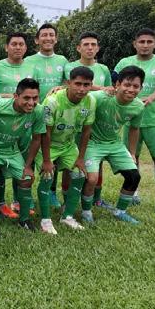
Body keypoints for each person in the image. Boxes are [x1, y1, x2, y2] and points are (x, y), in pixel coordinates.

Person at [0, 78, 45, 234]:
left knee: (27, 179)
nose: (31, 103)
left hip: (11, 149)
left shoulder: (39, 111)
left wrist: (28, 166)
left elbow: (37, 139)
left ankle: (24, 220)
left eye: (35, 98)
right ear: (16, 96)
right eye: (26, 98)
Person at [115, 28, 155, 214]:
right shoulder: (125, 62)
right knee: (133, 156)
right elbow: (113, 82)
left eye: (149, 42)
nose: (145, 45)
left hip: (154, 119)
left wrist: (150, 98)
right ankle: (134, 192)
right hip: (130, 119)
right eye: (142, 42)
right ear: (135, 44)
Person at [81, 66, 146, 224]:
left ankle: (120, 211)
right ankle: (86, 211)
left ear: (141, 88)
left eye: (136, 86)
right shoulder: (101, 97)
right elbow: (80, 92)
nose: (131, 89)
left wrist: (132, 152)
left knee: (134, 176)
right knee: (92, 179)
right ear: (117, 84)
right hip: (93, 143)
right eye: (127, 85)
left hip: (115, 144)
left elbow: (134, 129)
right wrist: (60, 89)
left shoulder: (138, 106)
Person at [37, 66, 96, 233]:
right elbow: (45, 133)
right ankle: (45, 220)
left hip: (68, 145)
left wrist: (81, 158)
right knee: (47, 176)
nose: (82, 89)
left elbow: (86, 131)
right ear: (68, 83)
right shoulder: (52, 101)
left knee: (79, 174)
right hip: (48, 145)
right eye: (78, 84)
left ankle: (67, 216)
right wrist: (47, 160)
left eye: (86, 85)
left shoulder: (91, 101)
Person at [0, 32, 34, 219]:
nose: (18, 47)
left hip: (23, 124)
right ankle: (0, 204)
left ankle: (18, 201)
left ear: (26, 48)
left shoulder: (31, 66)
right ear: (6, 47)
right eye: (14, 44)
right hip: (0, 125)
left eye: (21, 44)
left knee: (21, 163)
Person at [64, 32, 113, 208]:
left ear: (98, 48)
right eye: (86, 44)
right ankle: (67, 199)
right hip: (74, 119)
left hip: (97, 120)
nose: (90, 48)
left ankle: (96, 198)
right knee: (70, 160)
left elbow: (109, 91)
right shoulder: (70, 66)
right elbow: (71, 86)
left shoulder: (104, 69)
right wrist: (100, 88)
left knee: (96, 160)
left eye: (93, 45)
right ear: (79, 48)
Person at [24, 23, 69, 210]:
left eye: (51, 34)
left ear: (56, 39)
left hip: (55, 115)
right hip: (32, 113)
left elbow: (70, 82)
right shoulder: (29, 60)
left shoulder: (63, 60)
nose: (48, 38)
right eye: (44, 35)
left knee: (52, 154)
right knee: (29, 153)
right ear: (37, 40)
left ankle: (50, 192)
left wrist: (62, 87)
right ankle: (24, 194)